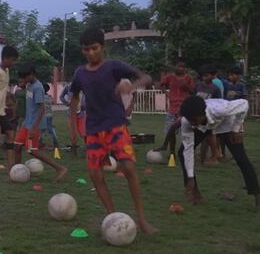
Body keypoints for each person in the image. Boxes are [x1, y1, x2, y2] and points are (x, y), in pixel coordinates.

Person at [67, 27, 156, 235]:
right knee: (95, 175)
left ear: (103, 47)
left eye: (94, 48)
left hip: (116, 126)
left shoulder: (113, 66)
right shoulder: (80, 73)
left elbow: (146, 77)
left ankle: (141, 219)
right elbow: (74, 98)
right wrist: (73, 127)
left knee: (129, 169)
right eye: (86, 49)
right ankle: (113, 218)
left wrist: (131, 86)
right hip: (93, 131)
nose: (90, 53)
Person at [169, 95, 260, 207]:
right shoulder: (188, 121)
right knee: (182, 152)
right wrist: (190, 176)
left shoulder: (221, 109)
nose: (192, 122)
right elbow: (188, 149)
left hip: (225, 124)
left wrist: (237, 129)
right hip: (204, 127)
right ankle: (194, 192)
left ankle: (257, 196)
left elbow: (244, 104)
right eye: (190, 120)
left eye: (194, 119)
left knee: (241, 158)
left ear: (203, 113)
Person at [13, 66, 67, 180]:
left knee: (33, 151)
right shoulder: (29, 85)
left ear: (32, 74)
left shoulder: (37, 87)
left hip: (34, 124)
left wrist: (34, 127)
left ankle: (60, 168)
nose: (23, 79)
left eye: (24, 77)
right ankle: (16, 172)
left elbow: (42, 109)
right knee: (17, 146)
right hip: (27, 122)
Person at [158, 60, 194, 156]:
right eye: (178, 66)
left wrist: (185, 85)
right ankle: (172, 152)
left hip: (184, 108)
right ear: (175, 67)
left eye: (182, 67)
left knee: (185, 132)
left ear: (185, 69)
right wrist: (166, 93)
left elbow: (192, 91)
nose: (180, 68)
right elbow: (161, 85)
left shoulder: (188, 78)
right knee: (170, 131)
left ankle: (184, 152)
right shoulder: (169, 77)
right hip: (172, 108)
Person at [195, 64, 223, 164]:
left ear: (213, 76)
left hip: (208, 117)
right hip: (196, 116)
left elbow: (218, 103)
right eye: (203, 75)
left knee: (206, 138)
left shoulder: (215, 89)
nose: (205, 77)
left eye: (207, 75)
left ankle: (206, 159)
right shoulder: (198, 86)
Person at [41, 83, 61, 148]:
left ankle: (55, 143)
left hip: (44, 115)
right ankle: (39, 142)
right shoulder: (49, 97)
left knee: (48, 130)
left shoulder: (42, 97)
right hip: (49, 115)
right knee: (44, 129)